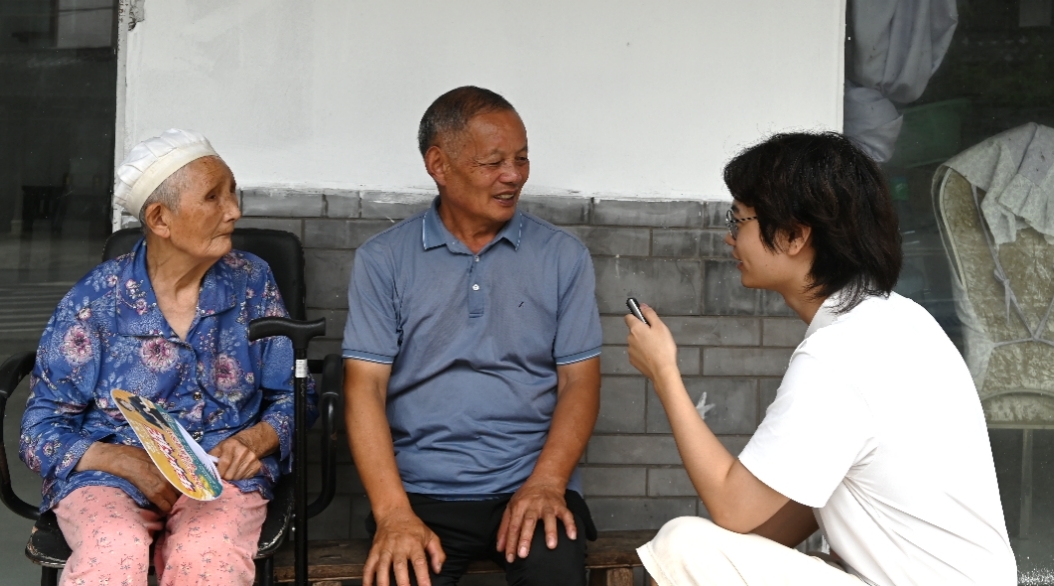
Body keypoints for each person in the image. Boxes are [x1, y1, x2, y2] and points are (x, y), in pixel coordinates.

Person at [624, 132, 1016, 586]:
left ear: (793, 236)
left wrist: (664, 372)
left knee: (681, 546)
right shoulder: (902, 319)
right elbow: (770, 524)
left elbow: (734, 508)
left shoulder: (838, 353)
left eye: (739, 220)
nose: (729, 238)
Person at [19, 128, 315, 586]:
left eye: (233, 192)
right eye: (213, 197)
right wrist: (119, 460)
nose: (234, 211)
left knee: (206, 555)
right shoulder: (96, 300)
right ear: (160, 218)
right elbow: (38, 430)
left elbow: (296, 394)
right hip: (111, 475)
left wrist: (255, 441)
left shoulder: (252, 281)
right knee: (112, 551)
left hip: (222, 475)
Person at [342, 86, 602, 586]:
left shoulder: (562, 256)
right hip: (420, 494)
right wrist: (393, 513)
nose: (514, 175)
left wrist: (548, 483)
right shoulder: (384, 260)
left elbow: (579, 381)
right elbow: (364, 388)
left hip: (531, 485)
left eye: (521, 159)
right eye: (493, 162)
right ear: (438, 164)